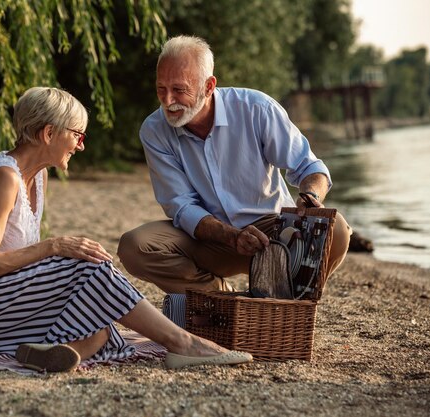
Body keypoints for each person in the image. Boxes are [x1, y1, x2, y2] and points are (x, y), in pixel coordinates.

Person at [0, 86, 252, 372]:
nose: (81, 146)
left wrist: (57, 256)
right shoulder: (5, 178)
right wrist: (53, 247)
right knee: (84, 265)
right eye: (77, 135)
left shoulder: (37, 176)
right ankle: (182, 342)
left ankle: (51, 355)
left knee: (99, 326)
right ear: (49, 134)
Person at [118, 35, 352, 294]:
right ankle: (219, 295)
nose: (168, 100)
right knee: (134, 246)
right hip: (209, 237)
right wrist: (230, 236)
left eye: (179, 89)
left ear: (208, 87)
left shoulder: (257, 109)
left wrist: (309, 197)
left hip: (274, 233)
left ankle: (289, 300)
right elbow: (181, 206)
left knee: (337, 229)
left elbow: (310, 168)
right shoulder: (154, 130)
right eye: (161, 88)